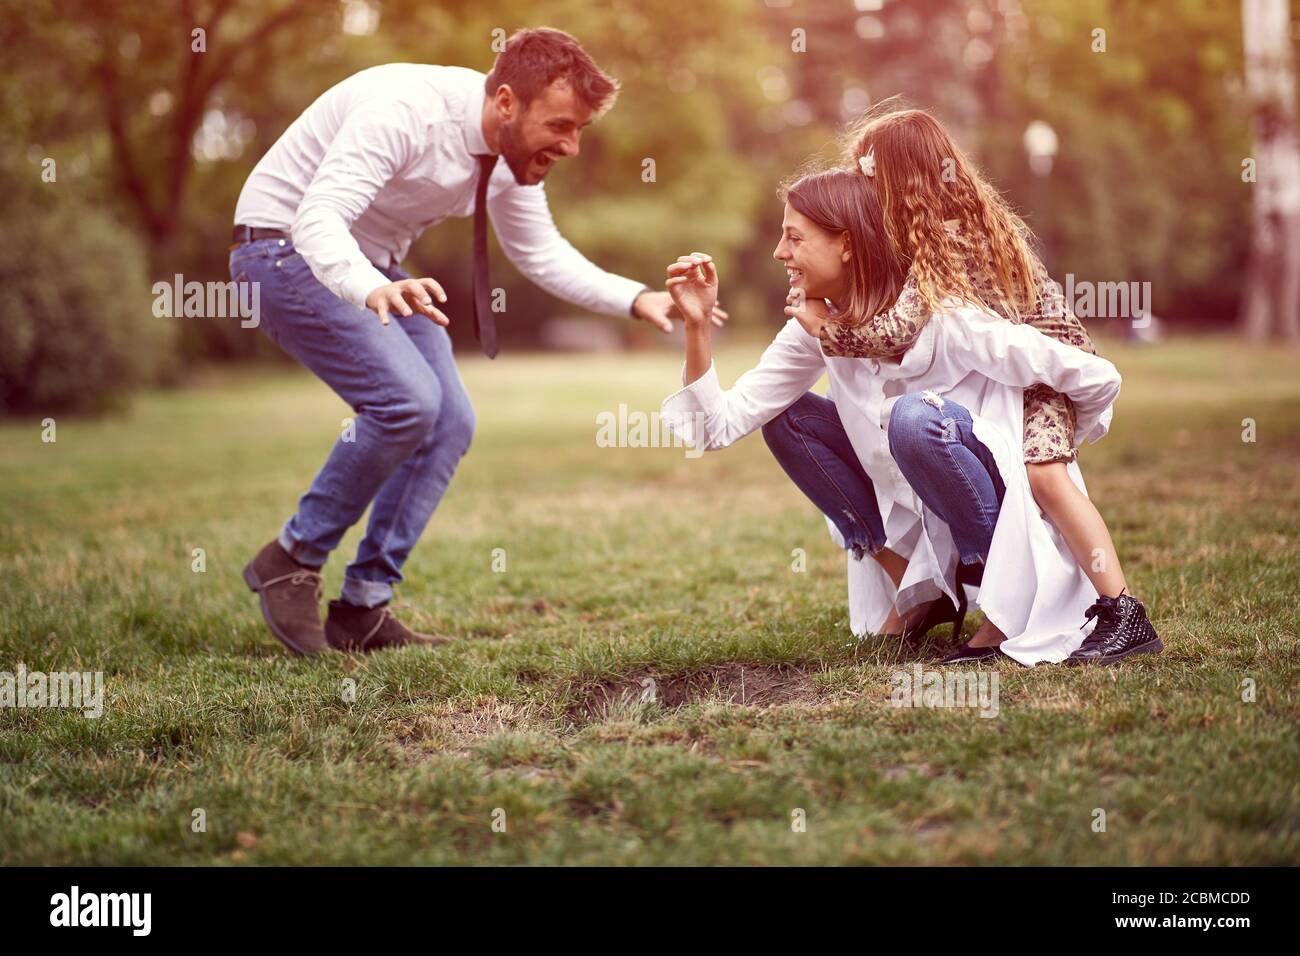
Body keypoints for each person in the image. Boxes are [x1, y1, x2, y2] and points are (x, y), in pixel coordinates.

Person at [230, 28, 724, 655]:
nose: (570, 145)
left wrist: (636, 298)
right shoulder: (407, 111)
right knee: (407, 402)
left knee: (450, 422)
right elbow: (318, 217)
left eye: (580, 131)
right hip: (280, 250)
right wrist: (366, 285)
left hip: (371, 265)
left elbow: (540, 252)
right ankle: (292, 557)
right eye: (561, 125)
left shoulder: (512, 159)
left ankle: (364, 607)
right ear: (508, 102)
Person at [660, 164, 1159, 667]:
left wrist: (1057, 449)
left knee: (913, 418)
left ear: (848, 244)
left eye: (794, 238)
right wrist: (697, 327)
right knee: (788, 418)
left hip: (992, 512)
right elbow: (713, 426)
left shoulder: (943, 312)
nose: (779, 253)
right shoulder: (813, 325)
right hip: (916, 522)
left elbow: (1090, 374)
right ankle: (917, 588)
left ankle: (1001, 600)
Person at [799, 107, 1157, 664]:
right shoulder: (959, 221)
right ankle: (1012, 604)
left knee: (1047, 480)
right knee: (1038, 484)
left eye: (869, 178)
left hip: (1047, 371)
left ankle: (1123, 609)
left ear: (897, 178)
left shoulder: (945, 239)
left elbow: (898, 328)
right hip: (1027, 371)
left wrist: (824, 324)